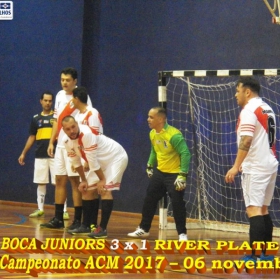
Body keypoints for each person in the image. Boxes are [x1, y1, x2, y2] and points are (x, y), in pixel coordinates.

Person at [225, 76, 278, 263]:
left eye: (238, 91)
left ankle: (254, 256)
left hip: (255, 166)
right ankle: (266, 254)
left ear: (247, 92)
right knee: (263, 209)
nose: (235, 95)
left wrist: (235, 166)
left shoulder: (249, 110)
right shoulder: (267, 108)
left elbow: (246, 140)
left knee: (254, 210)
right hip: (270, 164)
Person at [128, 107, 191, 241]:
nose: (148, 119)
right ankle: (143, 229)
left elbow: (185, 154)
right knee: (149, 199)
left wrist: (182, 175)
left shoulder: (174, 135)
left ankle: (182, 234)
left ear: (161, 119)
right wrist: (150, 165)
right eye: (148, 116)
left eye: (151, 117)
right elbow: (154, 150)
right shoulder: (152, 133)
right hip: (160, 172)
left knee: (177, 203)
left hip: (175, 174)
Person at [40, 67, 92, 229]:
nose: (64, 82)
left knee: (75, 181)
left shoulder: (82, 97)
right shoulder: (59, 95)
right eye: (62, 79)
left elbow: (86, 117)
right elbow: (56, 120)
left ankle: (77, 220)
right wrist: (51, 141)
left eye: (68, 80)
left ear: (75, 81)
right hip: (61, 144)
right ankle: (58, 218)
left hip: (74, 145)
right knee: (59, 180)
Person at [61, 116, 128, 238]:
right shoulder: (66, 141)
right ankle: (85, 225)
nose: (72, 131)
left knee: (105, 189)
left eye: (73, 127)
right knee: (86, 190)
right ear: (64, 130)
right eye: (68, 129)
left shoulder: (86, 134)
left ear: (77, 124)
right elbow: (76, 162)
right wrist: (83, 180)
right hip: (99, 162)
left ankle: (102, 229)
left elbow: (92, 162)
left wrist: (102, 180)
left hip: (115, 158)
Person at [18, 92, 68, 219]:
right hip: (40, 155)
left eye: (50, 101)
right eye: (45, 100)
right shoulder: (35, 118)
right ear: (41, 101)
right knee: (41, 182)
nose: (48, 103)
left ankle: (64, 211)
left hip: (55, 155)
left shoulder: (56, 118)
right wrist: (23, 153)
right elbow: (32, 137)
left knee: (59, 182)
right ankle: (40, 209)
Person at [70, 86, 103, 233]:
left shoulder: (92, 113)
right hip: (84, 156)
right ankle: (89, 224)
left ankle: (87, 224)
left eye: (72, 98)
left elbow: (94, 136)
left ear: (76, 99)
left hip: (94, 155)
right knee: (89, 190)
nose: (72, 101)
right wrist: (77, 159)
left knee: (89, 190)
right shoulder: (77, 116)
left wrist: (88, 161)